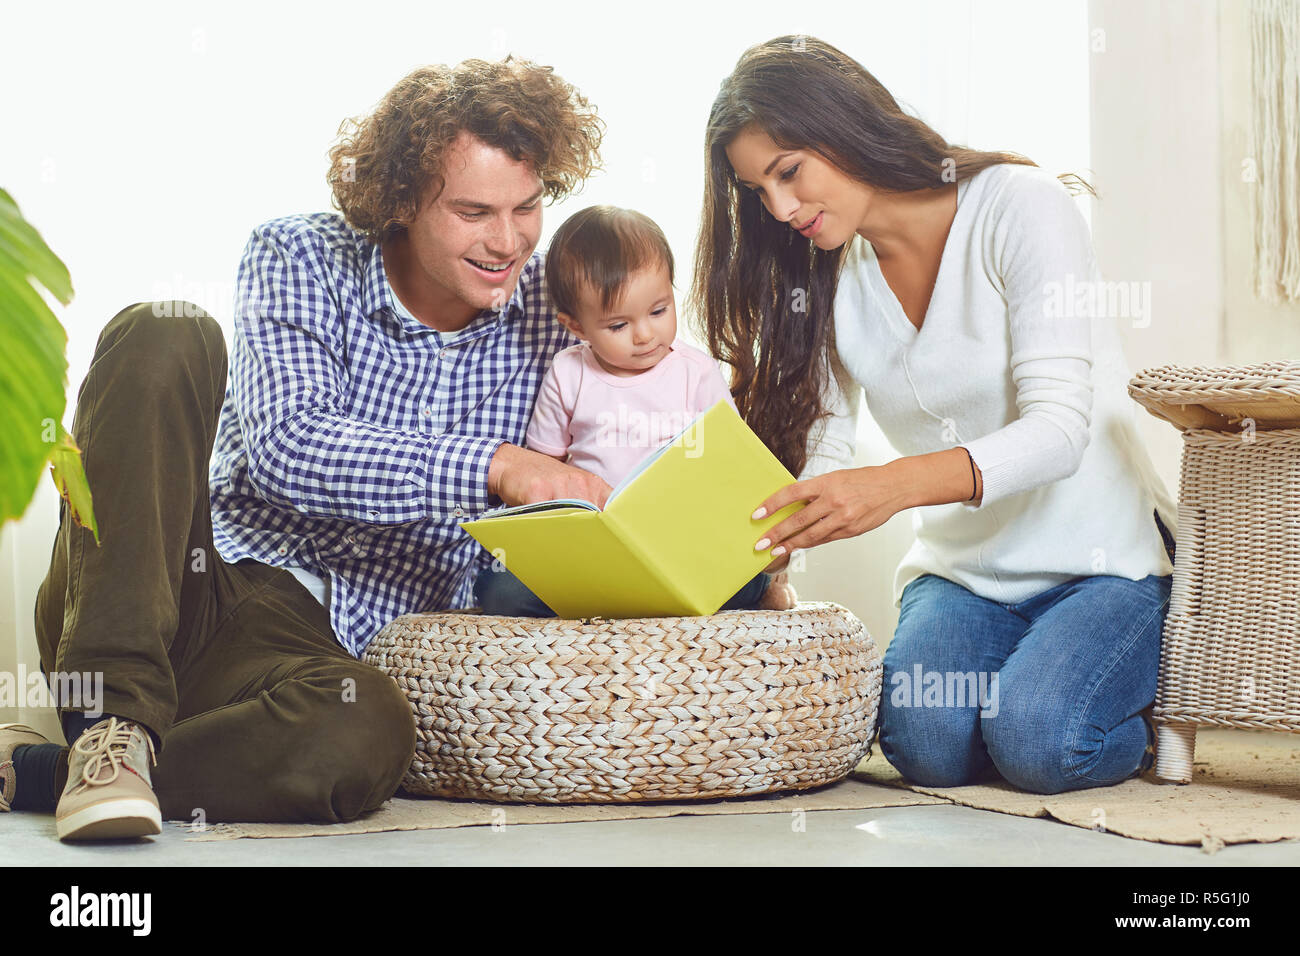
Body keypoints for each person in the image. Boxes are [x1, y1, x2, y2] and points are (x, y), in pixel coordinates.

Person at [3, 55, 607, 840]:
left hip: (307, 661)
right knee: (168, 328)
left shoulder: (551, 312)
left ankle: (63, 772)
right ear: (401, 201)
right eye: (473, 212)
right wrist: (494, 466)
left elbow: (633, 411)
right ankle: (112, 719)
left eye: (526, 208)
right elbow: (290, 444)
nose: (507, 241)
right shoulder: (300, 256)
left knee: (369, 732)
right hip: (174, 584)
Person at [693, 36, 1179, 795]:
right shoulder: (827, 273)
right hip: (963, 576)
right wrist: (783, 531)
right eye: (759, 191)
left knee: (1039, 743)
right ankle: (1031, 693)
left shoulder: (1019, 206)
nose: (781, 208)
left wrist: (890, 486)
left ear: (844, 124)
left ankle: (1111, 707)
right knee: (921, 745)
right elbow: (827, 438)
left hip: (1101, 566)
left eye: (788, 172)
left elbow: (1059, 431)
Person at [472, 205, 798, 616]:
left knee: (743, 577)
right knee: (497, 590)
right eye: (618, 326)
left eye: (659, 311)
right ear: (576, 327)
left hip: (683, 544)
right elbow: (543, 469)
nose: (645, 335)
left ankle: (752, 588)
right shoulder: (568, 372)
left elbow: (731, 460)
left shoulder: (694, 371)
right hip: (595, 553)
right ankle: (613, 599)